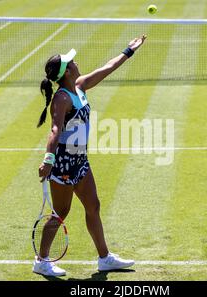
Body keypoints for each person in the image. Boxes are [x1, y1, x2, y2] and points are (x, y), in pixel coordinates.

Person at [33, 34, 147, 277]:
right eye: (72, 63)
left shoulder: (79, 86)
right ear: (66, 72)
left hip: (80, 161)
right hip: (63, 163)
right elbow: (55, 130)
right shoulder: (62, 98)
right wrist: (48, 160)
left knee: (93, 206)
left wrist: (129, 50)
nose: (76, 63)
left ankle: (104, 258)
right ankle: (41, 260)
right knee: (61, 213)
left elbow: (107, 68)